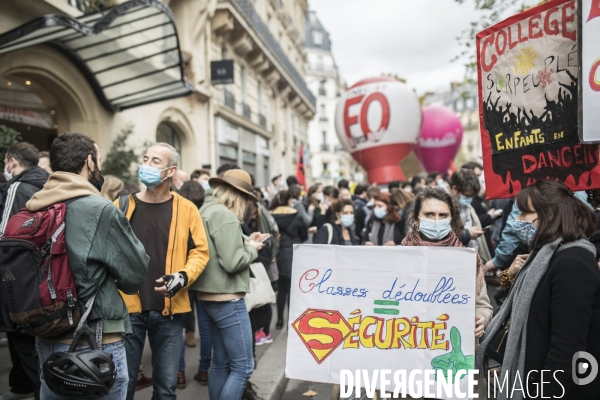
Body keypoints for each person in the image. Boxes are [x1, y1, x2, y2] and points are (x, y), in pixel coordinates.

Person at [28, 132, 149, 400]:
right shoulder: (101, 209)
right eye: (99, 160)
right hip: (95, 340)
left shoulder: (34, 207)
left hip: (46, 335)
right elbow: (135, 276)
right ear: (89, 162)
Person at [476, 180, 600, 399]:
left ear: (549, 215)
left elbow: (566, 350)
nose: (518, 221)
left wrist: (544, 393)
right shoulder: (543, 256)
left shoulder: (573, 262)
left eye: (525, 213)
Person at [117, 143, 209, 400]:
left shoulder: (187, 209)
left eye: (155, 161)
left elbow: (200, 252)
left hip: (169, 312)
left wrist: (182, 276)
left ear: (171, 171)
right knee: (123, 387)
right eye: (145, 158)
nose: (146, 164)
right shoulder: (122, 205)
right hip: (127, 311)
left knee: (166, 389)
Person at [190, 169, 267, 400]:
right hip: (228, 299)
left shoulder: (206, 210)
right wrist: (252, 249)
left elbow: (216, 250)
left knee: (221, 363)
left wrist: (246, 240)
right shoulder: (225, 215)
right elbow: (233, 262)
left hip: (208, 297)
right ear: (238, 195)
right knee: (243, 367)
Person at [402, 187, 493, 341]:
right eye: (429, 214)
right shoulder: (400, 257)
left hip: (454, 346)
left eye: (443, 215)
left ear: (451, 220)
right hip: (411, 344)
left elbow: (483, 305)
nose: (436, 220)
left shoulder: (467, 259)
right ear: (416, 219)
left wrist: (481, 319)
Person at [0, 142, 49, 400]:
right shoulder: (47, 183)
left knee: (20, 331)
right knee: (29, 336)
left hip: (17, 272)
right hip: (40, 271)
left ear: (12, 162)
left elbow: (4, 234)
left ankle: (37, 389)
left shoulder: (17, 186)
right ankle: (20, 385)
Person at [176, 180, 209, 387]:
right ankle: (204, 370)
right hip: (203, 278)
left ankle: (179, 373)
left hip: (180, 277)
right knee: (205, 328)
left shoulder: (176, 215)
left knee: (176, 328)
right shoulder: (205, 216)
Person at [271, 190, 308, 330]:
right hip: (294, 253)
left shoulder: (271, 215)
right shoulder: (296, 215)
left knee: (282, 290)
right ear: (289, 201)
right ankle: (291, 321)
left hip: (278, 254)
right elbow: (303, 235)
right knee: (292, 290)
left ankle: (279, 320)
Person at [448, 169, 491, 263]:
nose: (470, 199)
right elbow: (442, 238)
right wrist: (467, 234)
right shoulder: (444, 208)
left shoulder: (467, 206)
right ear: (454, 189)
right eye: (467, 196)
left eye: (472, 196)